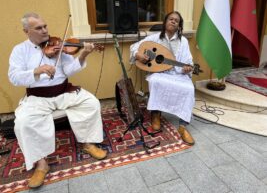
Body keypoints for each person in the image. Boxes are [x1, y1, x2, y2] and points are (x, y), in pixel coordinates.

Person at [8, 12, 107, 188]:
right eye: (39, 28)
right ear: (26, 31)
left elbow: (68, 70)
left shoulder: (58, 45)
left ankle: (87, 142)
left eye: (45, 26)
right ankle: (41, 164)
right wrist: (36, 71)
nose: (45, 30)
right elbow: (14, 77)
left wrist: (83, 55)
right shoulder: (20, 50)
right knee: (22, 122)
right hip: (38, 97)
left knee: (91, 103)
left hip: (63, 92)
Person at [130, 11, 195, 145]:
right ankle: (155, 114)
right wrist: (138, 55)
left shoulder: (183, 41)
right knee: (155, 81)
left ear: (179, 25)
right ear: (165, 22)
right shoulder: (155, 38)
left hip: (178, 75)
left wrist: (187, 68)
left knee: (189, 88)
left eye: (176, 21)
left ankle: (183, 127)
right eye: (170, 19)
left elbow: (188, 61)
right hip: (161, 73)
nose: (173, 21)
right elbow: (134, 47)